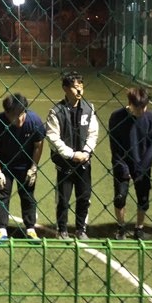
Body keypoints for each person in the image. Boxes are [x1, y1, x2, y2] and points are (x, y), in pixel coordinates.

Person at [46, 71, 99, 240]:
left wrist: (86, 152)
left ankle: (81, 229)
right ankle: (62, 230)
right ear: (65, 89)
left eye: (81, 86)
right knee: (63, 199)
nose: (79, 90)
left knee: (84, 197)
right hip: (65, 163)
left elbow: (93, 133)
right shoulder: (56, 112)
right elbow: (53, 138)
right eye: (75, 87)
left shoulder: (89, 108)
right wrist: (72, 154)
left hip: (84, 162)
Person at [0, 93, 46, 240]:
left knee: (27, 194)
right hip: (4, 164)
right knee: (2, 194)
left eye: (21, 114)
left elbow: (38, 146)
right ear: (7, 113)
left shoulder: (34, 121)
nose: (19, 120)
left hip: (25, 164)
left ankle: (30, 229)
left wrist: (33, 167)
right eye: (14, 116)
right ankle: (1, 230)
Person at [108, 86, 152, 240]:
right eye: (138, 108)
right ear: (130, 103)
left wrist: (142, 168)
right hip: (121, 163)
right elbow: (114, 145)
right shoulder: (116, 117)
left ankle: (139, 227)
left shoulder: (150, 119)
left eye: (144, 107)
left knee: (143, 199)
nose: (141, 111)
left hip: (143, 165)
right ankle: (121, 226)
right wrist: (122, 167)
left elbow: (151, 146)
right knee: (120, 197)